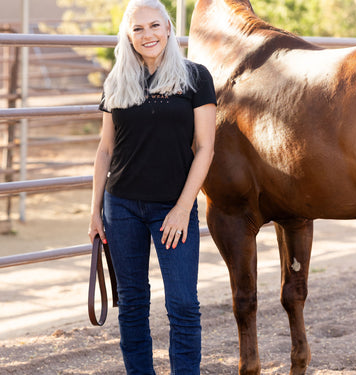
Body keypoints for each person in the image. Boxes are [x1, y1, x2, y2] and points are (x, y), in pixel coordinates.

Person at [88, 0, 217, 373]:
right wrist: (96, 212)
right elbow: (105, 150)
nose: (148, 35)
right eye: (139, 28)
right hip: (121, 205)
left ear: (168, 29)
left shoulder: (195, 77)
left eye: (154, 26)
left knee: (183, 304)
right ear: (128, 36)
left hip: (171, 207)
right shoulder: (117, 80)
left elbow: (206, 147)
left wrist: (182, 208)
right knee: (132, 302)